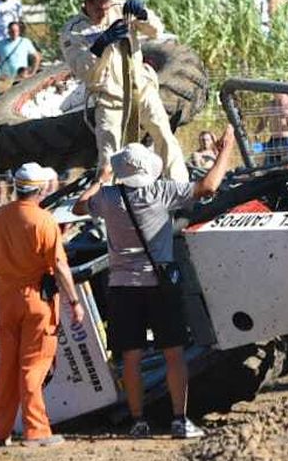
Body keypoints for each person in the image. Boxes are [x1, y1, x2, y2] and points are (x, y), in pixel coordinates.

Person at [74, 128, 237, 438]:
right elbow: (209, 186)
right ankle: (179, 419)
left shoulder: (109, 198)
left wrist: (102, 178)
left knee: (131, 357)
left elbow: (79, 207)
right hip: (161, 284)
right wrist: (225, 150)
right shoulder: (161, 192)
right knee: (173, 353)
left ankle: (138, 421)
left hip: (122, 286)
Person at [0, 163, 84, 448]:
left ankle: (0, 430)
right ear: (41, 189)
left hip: (5, 298)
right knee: (33, 365)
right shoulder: (44, 221)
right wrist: (74, 301)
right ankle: (36, 430)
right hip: (37, 300)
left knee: (7, 366)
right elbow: (60, 265)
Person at [59, 0, 188, 183]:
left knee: (165, 137)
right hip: (109, 98)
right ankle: (113, 200)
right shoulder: (73, 31)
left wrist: (143, 15)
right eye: (98, 10)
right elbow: (85, 72)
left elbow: (156, 31)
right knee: (110, 156)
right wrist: (100, 45)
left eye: (106, 8)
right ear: (87, 4)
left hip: (141, 89)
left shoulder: (120, 9)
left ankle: (180, 188)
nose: (103, 13)